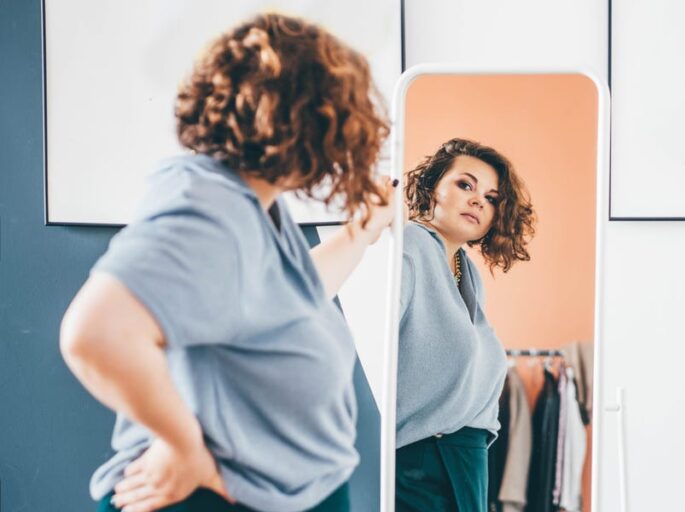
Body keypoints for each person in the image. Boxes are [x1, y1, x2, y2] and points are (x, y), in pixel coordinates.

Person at [59, 13, 393, 512]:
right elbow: (94, 333)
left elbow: (290, 301)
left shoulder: (252, 204)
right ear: (308, 120)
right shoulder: (208, 207)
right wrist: (182, 446)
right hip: (217, 497)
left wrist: (360, 234)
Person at [394, 138, 536, 511]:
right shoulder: (408, 252)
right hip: (423, 463)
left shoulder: (465, 270)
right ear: (432, 188)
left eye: (491, 198)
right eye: (465, 185)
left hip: (464, 462)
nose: (478, 201)